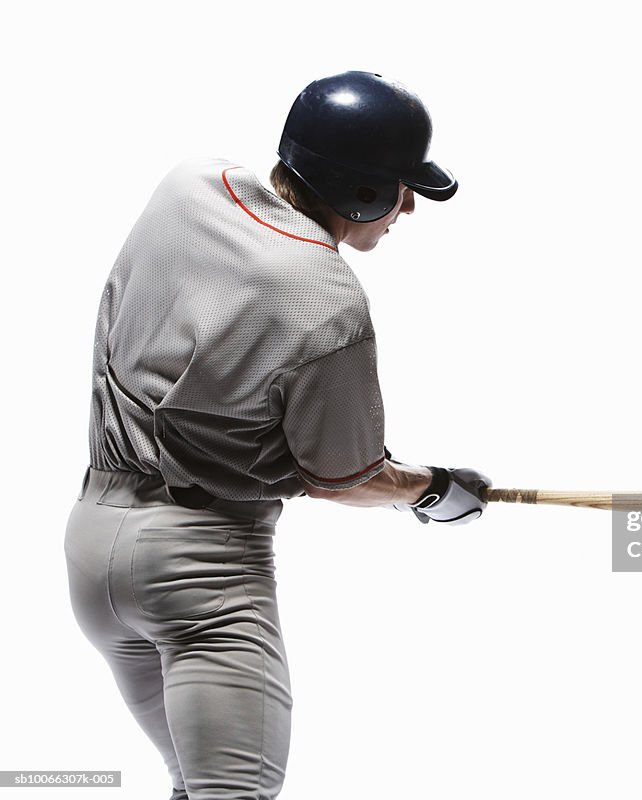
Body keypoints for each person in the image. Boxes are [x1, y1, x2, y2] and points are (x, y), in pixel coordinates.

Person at [64, 71, 489, 800]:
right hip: (202, 574)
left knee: (193, 786)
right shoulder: (326, 298)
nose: (408, 206)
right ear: (360, 189)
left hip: (91, 550)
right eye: (398, 187)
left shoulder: (188, 184)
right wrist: (431, 491)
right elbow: (346, 477)